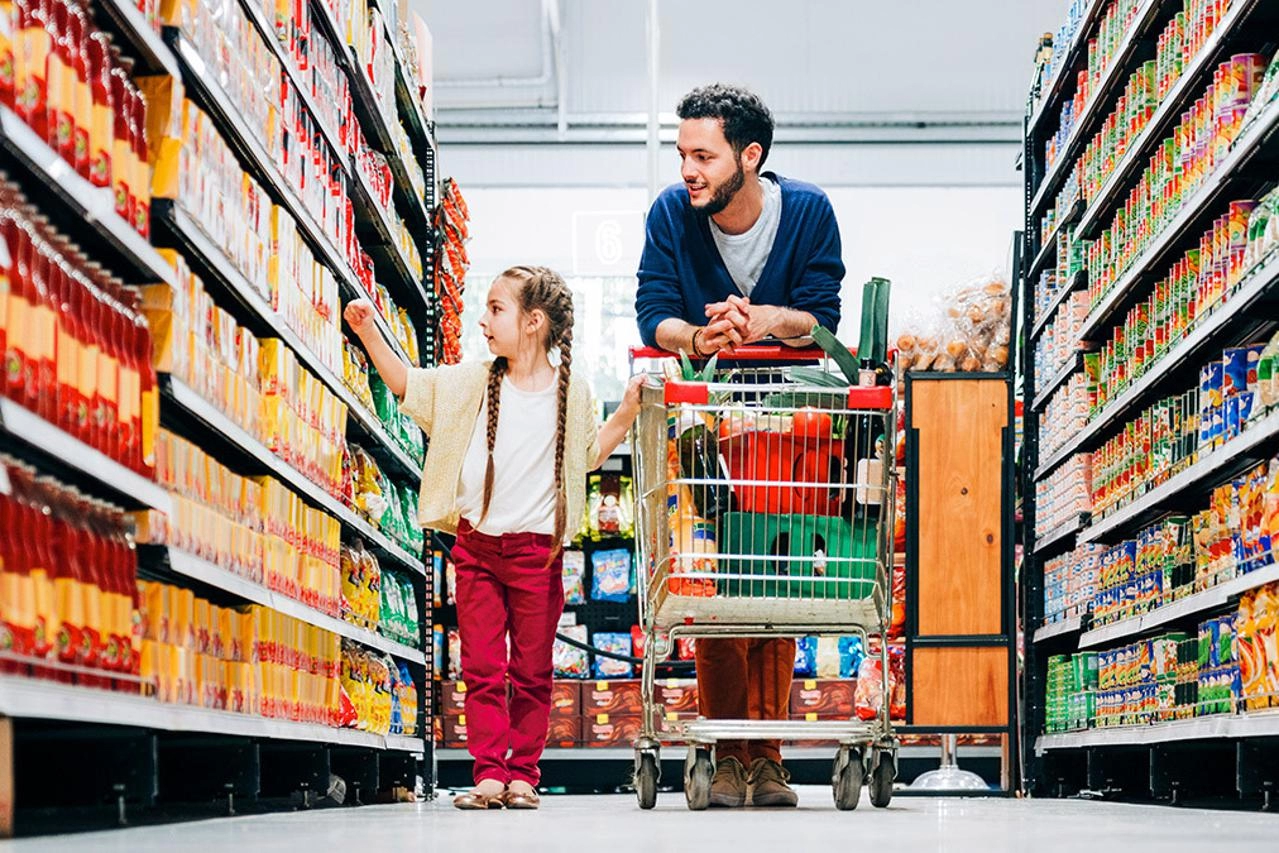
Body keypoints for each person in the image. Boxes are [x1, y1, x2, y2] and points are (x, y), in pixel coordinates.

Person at [346, 266, 643, 811]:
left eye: (496, 310)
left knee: (532, 669)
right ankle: (488, 773)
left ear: (533, 322)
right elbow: (407, 384)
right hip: (478, 549)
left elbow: (584, 458)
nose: (482, 320)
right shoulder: (471, 382)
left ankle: (523, 774)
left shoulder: (571, 392)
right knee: (482, 666)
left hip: (538, 554)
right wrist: (368, 332)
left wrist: (624, 412)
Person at [635, 83, 845, 808]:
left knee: (778, 579)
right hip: (707, 421)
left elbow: (820, 317)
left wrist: (762, 320)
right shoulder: (670, 214)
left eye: (703, 154)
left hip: (792, 424)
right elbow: (652, 311)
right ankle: (727, 751)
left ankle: (769, 755)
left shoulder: (810, 212)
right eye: (682, 153)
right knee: (721, 581)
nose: (687, 169)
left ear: (748, 155)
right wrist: (696, 336)